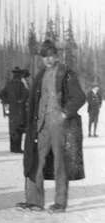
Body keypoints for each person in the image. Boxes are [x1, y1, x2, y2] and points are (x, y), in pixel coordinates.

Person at [17, 40, 86, 213]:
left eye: (51, 56)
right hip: (41, 125)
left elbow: (79, 97)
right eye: (44, 56)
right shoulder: (40, 74)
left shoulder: (66, 73)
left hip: (60, 126)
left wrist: (64, 114)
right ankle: (34, 201)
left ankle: (60, 203)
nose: (48, 59)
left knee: (60, 163)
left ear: (57, 56)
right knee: (35, 161)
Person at [0, 67, 30, 153]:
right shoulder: (21, 84)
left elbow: (1, 94)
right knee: (19, 129)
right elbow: (26, 94)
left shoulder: (9, 84)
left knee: (12, 128)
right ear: (19, 75)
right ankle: (17, 148)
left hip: (12, 109)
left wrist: (6, 101)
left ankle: (12, 147)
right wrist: (21, 101)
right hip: (20, 109)